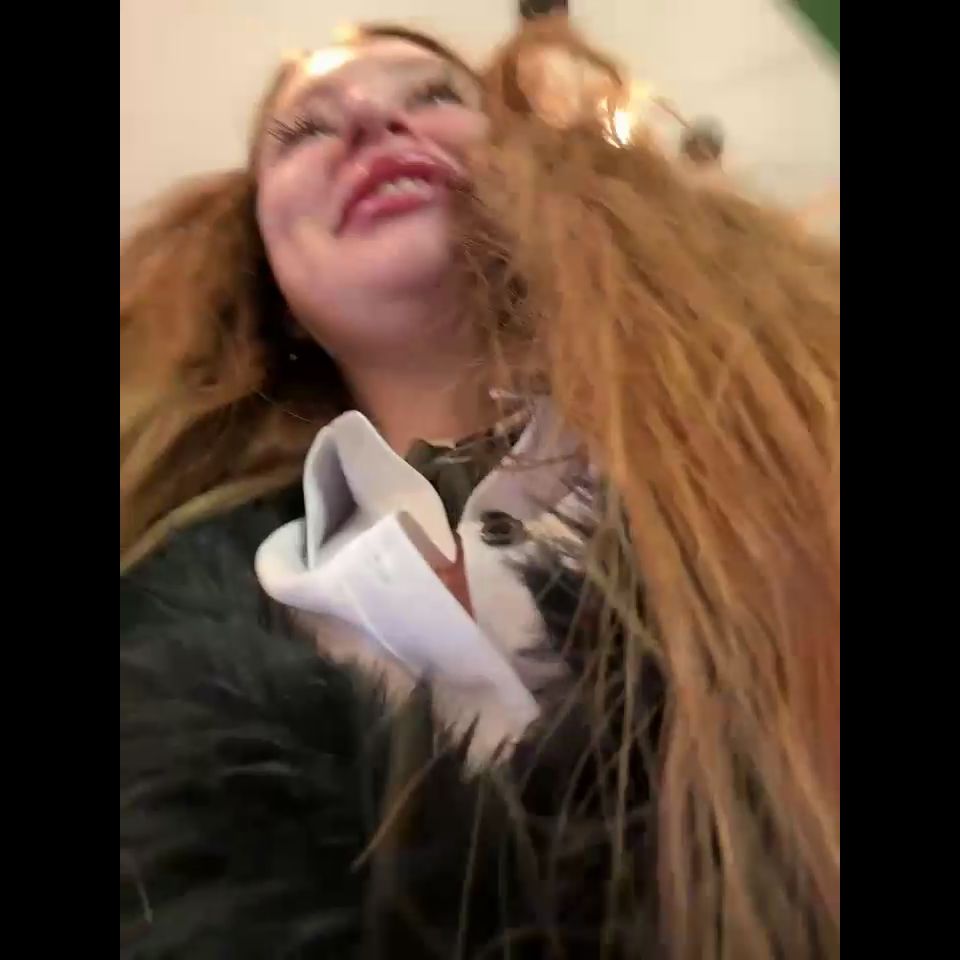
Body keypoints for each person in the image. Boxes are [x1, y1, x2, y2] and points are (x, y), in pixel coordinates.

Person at [120, 16, 840, 960]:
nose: (370, 125)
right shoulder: (183, 624)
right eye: (304, 131)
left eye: (433, 96)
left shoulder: (799, 418)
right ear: (269, 278)